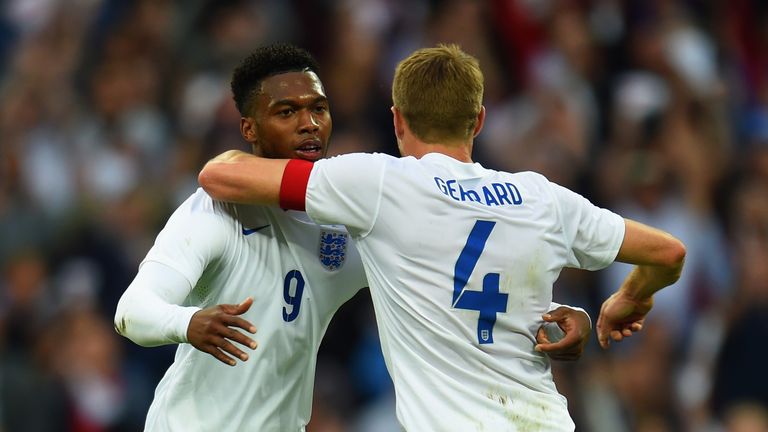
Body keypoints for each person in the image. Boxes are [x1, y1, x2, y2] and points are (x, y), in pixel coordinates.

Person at [198, 44, 686, 431]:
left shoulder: (379, 184)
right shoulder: (542, 198)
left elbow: (220, 177)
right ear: (478, 121)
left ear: (397, 120)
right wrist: (628, 297)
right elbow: (668, 252)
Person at [114, 43, 592, 432]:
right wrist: (190, 323)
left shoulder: (348, 222)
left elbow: (457, 263)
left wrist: (544, 314)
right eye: (286, 111)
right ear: (249, 129)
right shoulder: (212, 214)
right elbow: (132, 312)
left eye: (318, 108)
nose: (309, 123)